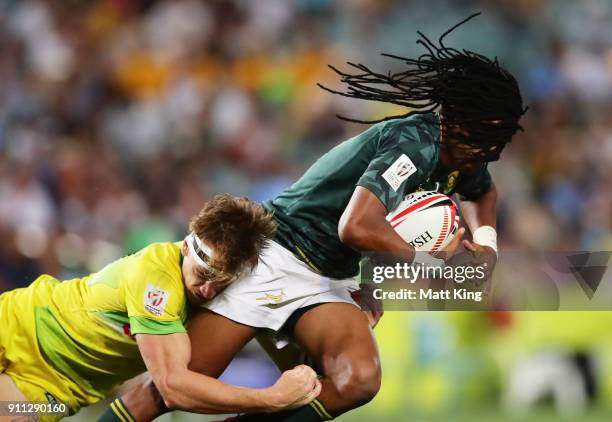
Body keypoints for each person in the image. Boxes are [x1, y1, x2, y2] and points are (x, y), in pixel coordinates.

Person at [110, 13, 527, 422]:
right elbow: (356, 225)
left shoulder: (467, 156)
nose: (497, 144)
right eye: (492, 129)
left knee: (357, 380)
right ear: (462, 120)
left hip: (330, 274)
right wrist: (437, 265)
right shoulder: (414, 143)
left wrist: (487, 247)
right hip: (274, 255)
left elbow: (483, 192)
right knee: (172, 388)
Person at [0, 194, 322, 422]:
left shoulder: (229, 287)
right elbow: (173, 387)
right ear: (186, 244)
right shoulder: (156, 277)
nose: (207, 290)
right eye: (204, 274)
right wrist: (271, 398)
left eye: (220, 282)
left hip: (59, 391)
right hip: (15, 324)